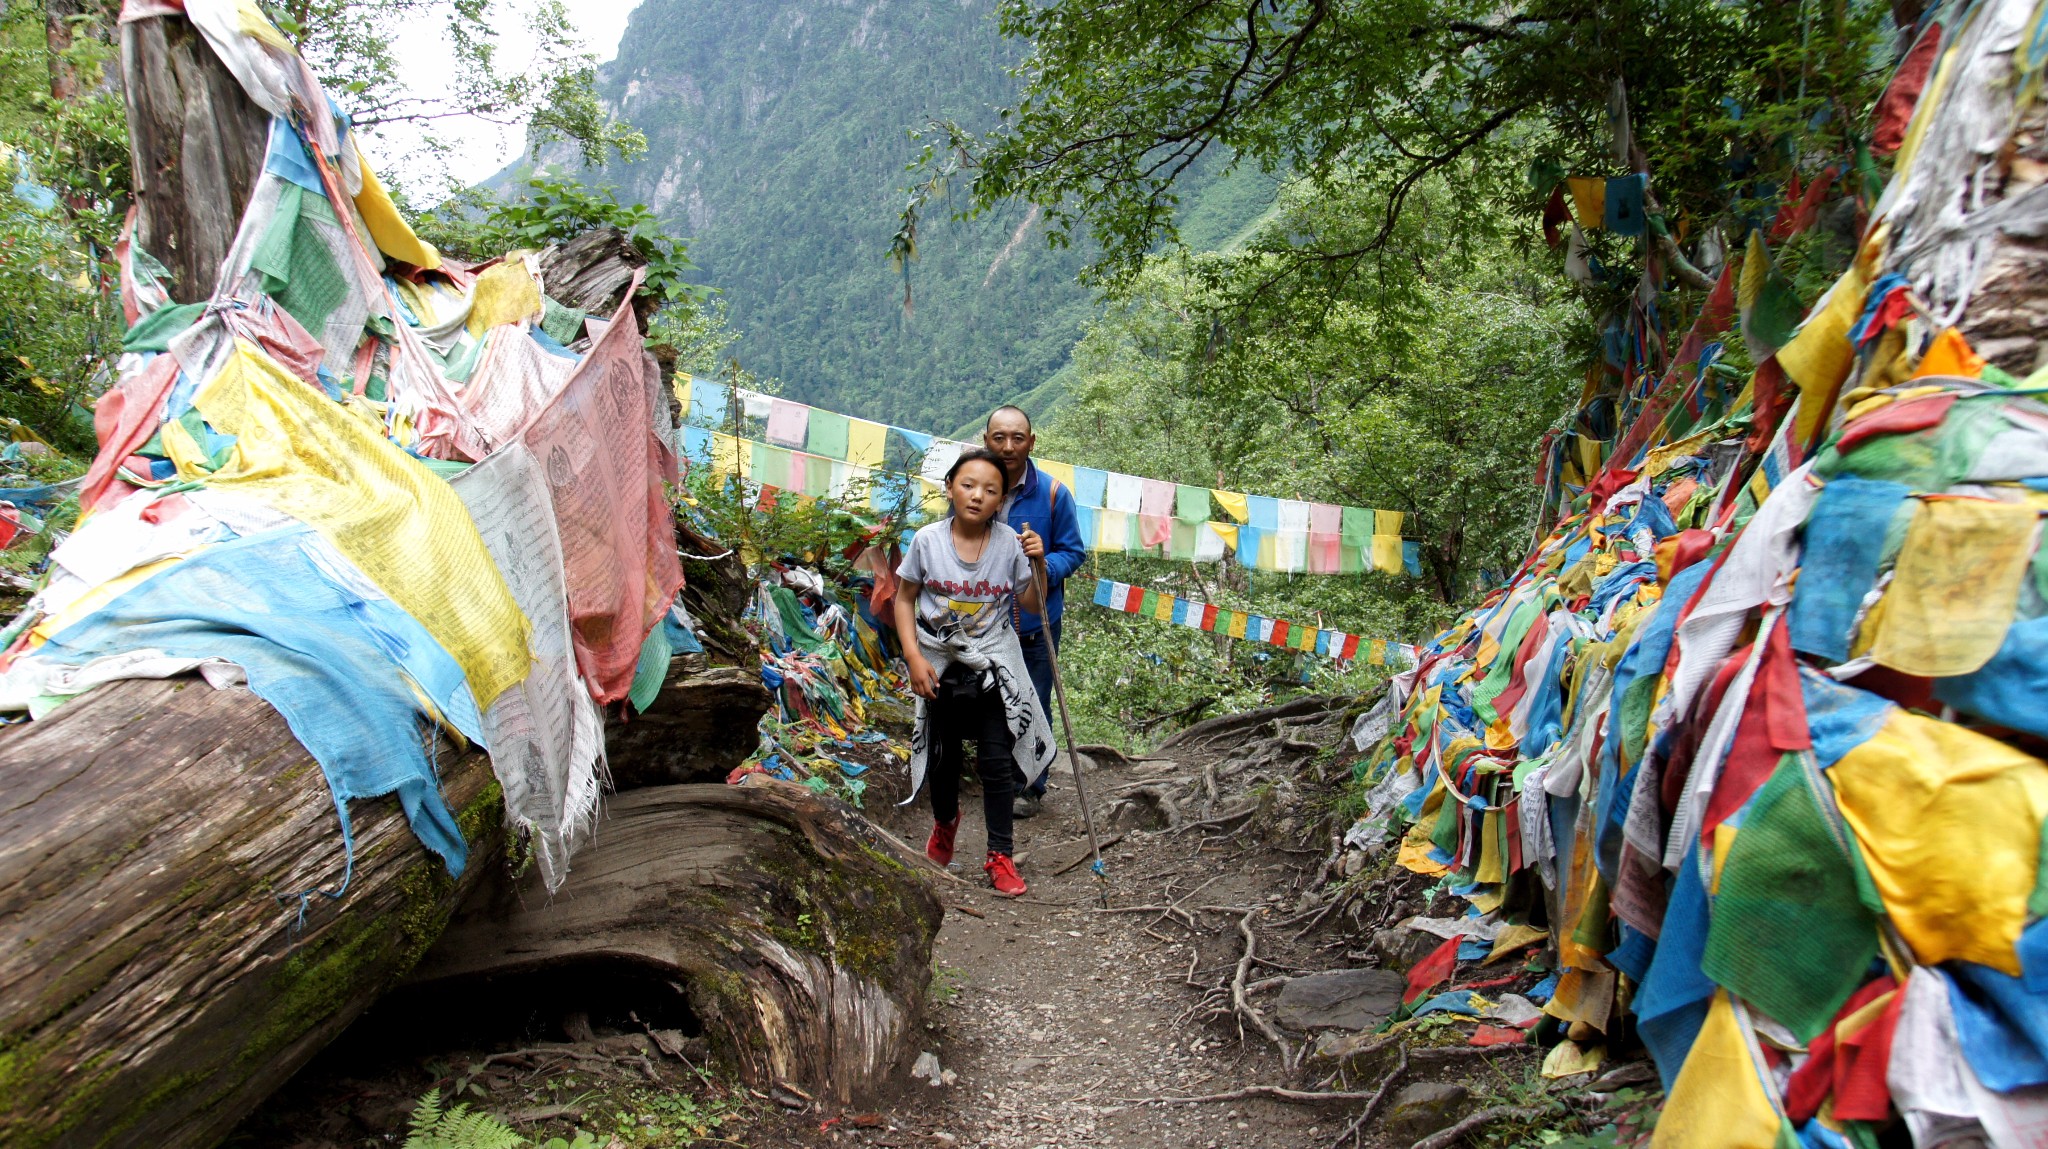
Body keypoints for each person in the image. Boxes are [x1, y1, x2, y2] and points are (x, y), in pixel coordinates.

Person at [894, 447, 1058, 896]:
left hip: (994, 662)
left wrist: (1039, 562)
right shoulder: (927, 540)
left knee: (995, 762)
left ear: (1001, 500)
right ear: (950, 488)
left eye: (991, 490)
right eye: (968, 485)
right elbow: (904, 598)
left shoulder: (1009, 544)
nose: (977, 496)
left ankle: (1000, 855)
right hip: (938, 658)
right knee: (944, 759)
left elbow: (1031, 603)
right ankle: (945, 824)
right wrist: (913, 656)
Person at [984, 405, 1086, 818]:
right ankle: (996, 775)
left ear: (1031, 441)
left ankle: (1030, 786)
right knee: (990, 702)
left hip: (1035, 623)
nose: (1008, 447)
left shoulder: (1053, 494)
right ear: (986, 439)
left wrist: (1044, 563)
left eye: (1017, 438)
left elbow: (1074, 552)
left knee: (1035, 702)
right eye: (999, 438)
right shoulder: (975, 487)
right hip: (983, 624)